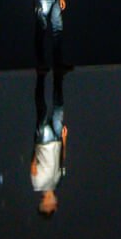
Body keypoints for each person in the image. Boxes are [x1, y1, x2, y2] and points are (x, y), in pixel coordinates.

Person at [31, 70, 67, 216]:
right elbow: (62, 161)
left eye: (49, 205)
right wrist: (64, 140)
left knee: (43, 110)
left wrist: (37, 144)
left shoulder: (38, 185)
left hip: (44, 142)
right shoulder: (57, 182)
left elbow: (33, 165)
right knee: (58, 107)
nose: (53, 202)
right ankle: (58, 76)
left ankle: (41, 76)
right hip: (56, 140)